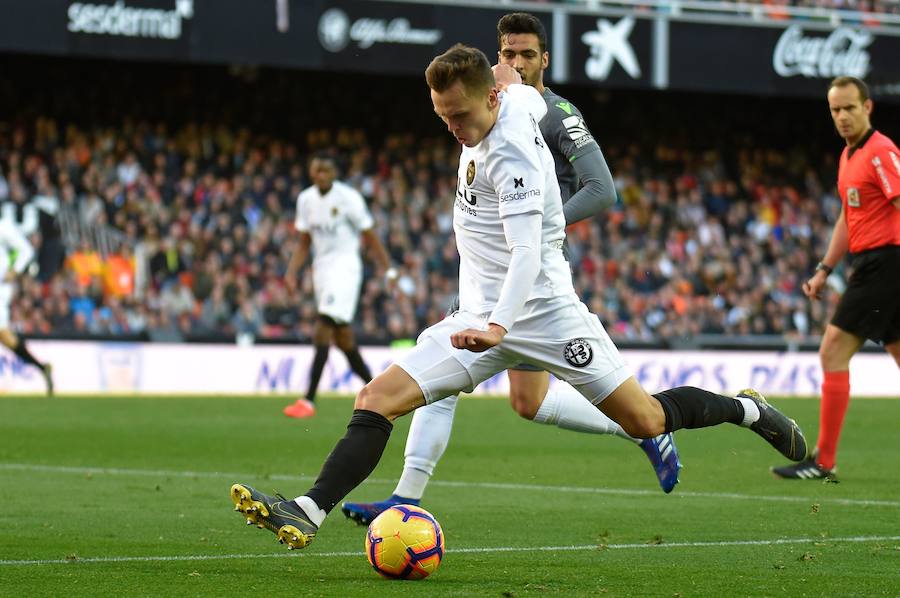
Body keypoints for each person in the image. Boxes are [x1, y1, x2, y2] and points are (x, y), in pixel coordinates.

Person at [230, 44, 808, 551]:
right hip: (478, 317)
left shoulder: (514, 160)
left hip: (544, 313)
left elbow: (528, 257)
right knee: (377, 396)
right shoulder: (513, 97)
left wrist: (500, 328)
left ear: (487, 103)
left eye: (458, 115)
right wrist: (506, 72)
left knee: (646, 417)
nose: (451, 127)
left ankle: (747, 409)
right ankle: (307, 511)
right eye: (442, 116)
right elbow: (523, 89)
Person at [342, 12, 681, 526]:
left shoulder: (557, 112)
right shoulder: (488, 100)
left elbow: (601, 189)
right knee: (516, 398)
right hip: (491, 273)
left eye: (526, 55)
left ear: (544, 60)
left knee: (497, 389)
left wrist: (538, 225)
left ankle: (644, 428)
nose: (515, 63)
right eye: (507, 54)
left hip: (533, 276)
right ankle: (405, 497)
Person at [772, 77, 900, 480]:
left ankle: (824, 462)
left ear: (868, 108)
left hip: (886, 263)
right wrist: (824, 269)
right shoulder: (850, 158)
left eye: (849, 108)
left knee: (832, 352)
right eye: (835, 110)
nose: (842, 116)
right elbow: (849, 217)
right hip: (870, 264)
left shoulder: (881, 152)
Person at [282, 155, 397, 418]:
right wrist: (291, 273)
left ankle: (308, 400)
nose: (321, 175)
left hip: (345, 269)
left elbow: (370, 236)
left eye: (326, 170)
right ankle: (381, 391)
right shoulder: (306, 200)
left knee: (323, 327)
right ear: (311, 173)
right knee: (343, 338)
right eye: (316, 171)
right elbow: (304, 242)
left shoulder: (348, 198)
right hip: (321, 270)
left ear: (334, 173)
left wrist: (388, 268)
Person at [0, 219, 53, 395]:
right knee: (6, 338)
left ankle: (41, 367)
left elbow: (26, 250)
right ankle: (41, 367)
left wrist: (15, 270)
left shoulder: (3, 226)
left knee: (4, 335)